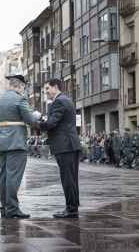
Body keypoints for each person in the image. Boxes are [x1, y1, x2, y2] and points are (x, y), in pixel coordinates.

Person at [0, 74, 36, 219]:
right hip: (15, 141)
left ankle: (4, 207)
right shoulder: (19, 99)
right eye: (24, 87)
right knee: (13, 177)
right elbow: (30, 120)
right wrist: (37, 117)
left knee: (3, 176)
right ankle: (12, 209)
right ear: (20, 86)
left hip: (1, 141)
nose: (24, 90)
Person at [37, 78, 82, 219]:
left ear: (55, 87)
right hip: (69, 144)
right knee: (71, 178)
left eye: (47, 89)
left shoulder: (59, 101)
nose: (46, 93)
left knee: (67, 178)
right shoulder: (66, 100)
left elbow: (51, 123)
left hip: (65, 146)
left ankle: (71, 209)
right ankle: (73, 207)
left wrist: (37, 123)